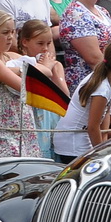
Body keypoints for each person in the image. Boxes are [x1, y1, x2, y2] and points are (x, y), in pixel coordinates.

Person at [53, 38, 111, 163]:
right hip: (73, 143)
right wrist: (101, 153)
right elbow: (93, 127)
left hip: (84, 136)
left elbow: (106, 112)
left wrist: (105, 142)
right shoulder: (102, 89)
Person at [0, 11, 40, 159]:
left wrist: (18, 69)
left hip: (22, 120)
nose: (10, 37)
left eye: (13, 32)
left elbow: (45, 70)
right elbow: (24, 85)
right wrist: (23, 70)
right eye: (5, 32)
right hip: (2, 122)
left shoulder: (10, 56)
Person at [16, 19, 69, 147]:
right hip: (30, 116)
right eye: (40, 43)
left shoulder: (56, 65)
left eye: (48, 43)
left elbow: (65, 95)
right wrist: (44, 69)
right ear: (25, 42)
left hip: (51, 115)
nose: (45, 49)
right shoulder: (19, 63)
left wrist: (54, 70)